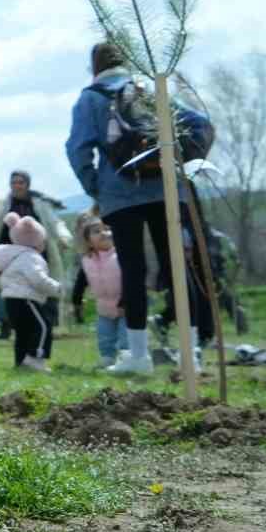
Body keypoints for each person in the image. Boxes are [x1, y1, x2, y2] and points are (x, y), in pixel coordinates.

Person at [66, 41, 202, 375]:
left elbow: (77, 149)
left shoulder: (90, 98)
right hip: (165, 187)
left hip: (119, 194)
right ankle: (192, 354)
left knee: (132, 270)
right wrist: (185, 169)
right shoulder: (148, 89)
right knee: (177, 268)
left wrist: (96, 188)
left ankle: (139, 355)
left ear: (94, 67)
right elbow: (197, 123)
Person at [0, 170, 70, 341]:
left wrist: (63, 237)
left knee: (41, 285)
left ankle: (46, 324)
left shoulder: (40, 204)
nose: (17, 186)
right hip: (10, 257)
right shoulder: (1, 205)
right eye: (13, 182)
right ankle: (7, 326)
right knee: (9, 290)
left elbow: (55, 222)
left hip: (38, 255)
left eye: (20, 182)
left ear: (27, 184)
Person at [0, 212, 63, 373]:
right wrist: (56, 288)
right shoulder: (31, 257)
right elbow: (38, 280)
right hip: (26, 299)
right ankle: (35, 359)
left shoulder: (13, 255)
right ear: (35, 240)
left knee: (23, 332)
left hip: (11, 300)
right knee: (43, 326)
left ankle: (21, 361)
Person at [71, 218, 123, 367]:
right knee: (105, 334)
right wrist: (76, 301)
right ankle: (107, 358)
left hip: (125, 305)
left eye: (107, 229)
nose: (104, 233)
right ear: (88, 241)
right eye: (97, 231)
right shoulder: (87, 260)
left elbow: (130, 279)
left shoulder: (121, 255)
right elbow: (80, 283)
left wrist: (126, 300)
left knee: (125, 334)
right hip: (103, 306)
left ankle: (127, 357)